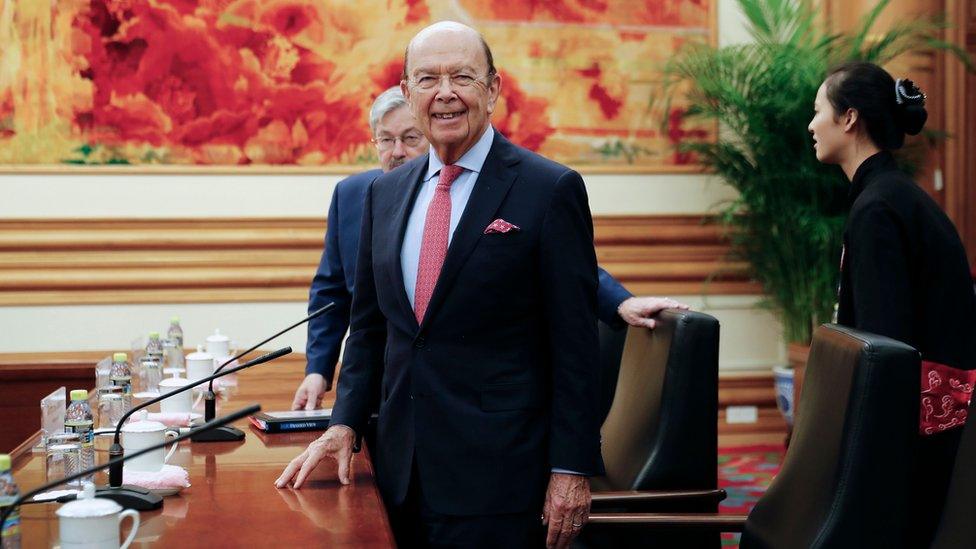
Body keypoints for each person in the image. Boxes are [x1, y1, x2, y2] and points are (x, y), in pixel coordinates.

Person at [278, 21, 615, 548]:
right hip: (398, 472)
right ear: (408, 93)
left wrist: (572, 468)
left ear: (494, 89)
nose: (445, 93)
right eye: (427, 79)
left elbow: (575, 346)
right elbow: (369, 330)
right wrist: (344, 424)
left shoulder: (549, 190)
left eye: (463, 76)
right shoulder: (383, 194)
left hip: (500, 480)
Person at [293, 88, 688, 411]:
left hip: (463, 394)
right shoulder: (354, 195)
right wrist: (318, 369)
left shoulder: (479, 186)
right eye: (386, 139)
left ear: (429, 134)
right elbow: (331, 291)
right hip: (378, 388)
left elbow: (541, 260)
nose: (397, 151)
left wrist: (618, 302)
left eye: (410, 138)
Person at [808, 61, 976, 546]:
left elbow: (886, 350)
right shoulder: (891, 195)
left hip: (922, 425)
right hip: (937, 411)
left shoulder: (878, 207)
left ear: (849, 118)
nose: (811, 124)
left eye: (818, 110)